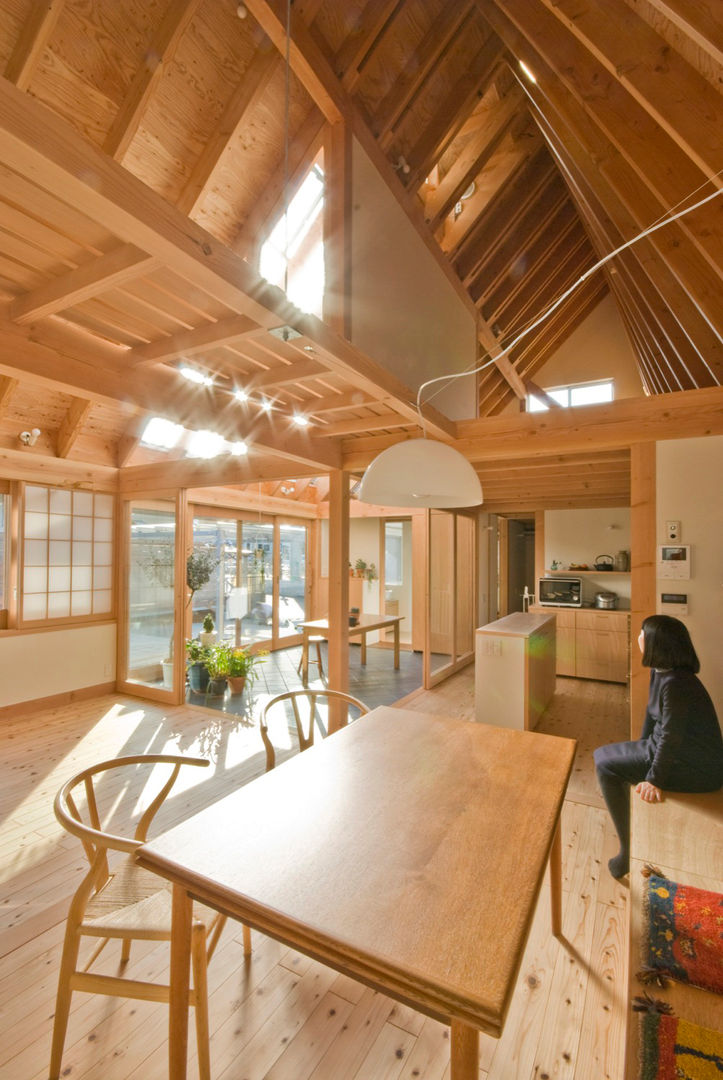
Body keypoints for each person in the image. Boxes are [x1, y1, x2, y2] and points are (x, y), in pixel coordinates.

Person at [594, 615, 723, 880]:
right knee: (603, 757)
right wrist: (639, 748)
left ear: (657, 643)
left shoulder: (677, 684)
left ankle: (628, 852)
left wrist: (653, 778)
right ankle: (631, 838)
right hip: (672, 752)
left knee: (605, 765)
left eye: (643, 633)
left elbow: (671, 736)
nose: (639, 637)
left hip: (696, 767)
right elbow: (652, 717)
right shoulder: (661, 672)